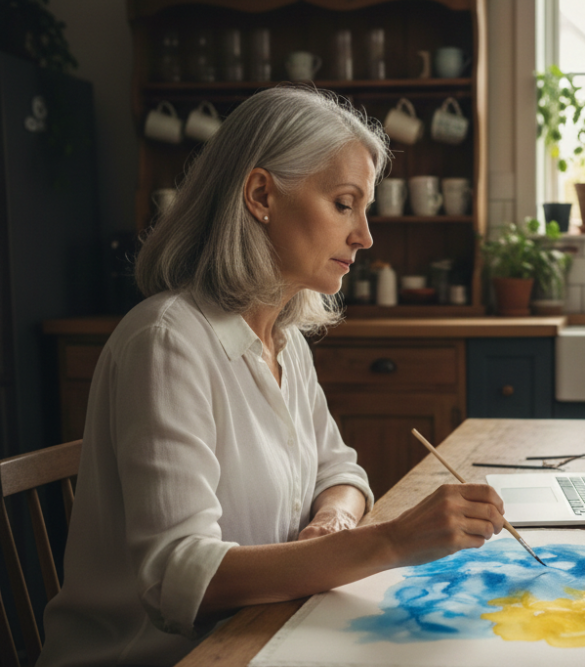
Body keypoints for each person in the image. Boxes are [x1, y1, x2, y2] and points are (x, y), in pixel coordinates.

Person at [37, 87, 506, 667]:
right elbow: (179, 578)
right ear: (261, 195)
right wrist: (389, 541)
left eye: (365, 209)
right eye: (344, 204)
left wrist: (334, 519)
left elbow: (341, 473)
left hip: (265, 636)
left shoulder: (285, 341)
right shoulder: (166, 342)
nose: (365, 235)